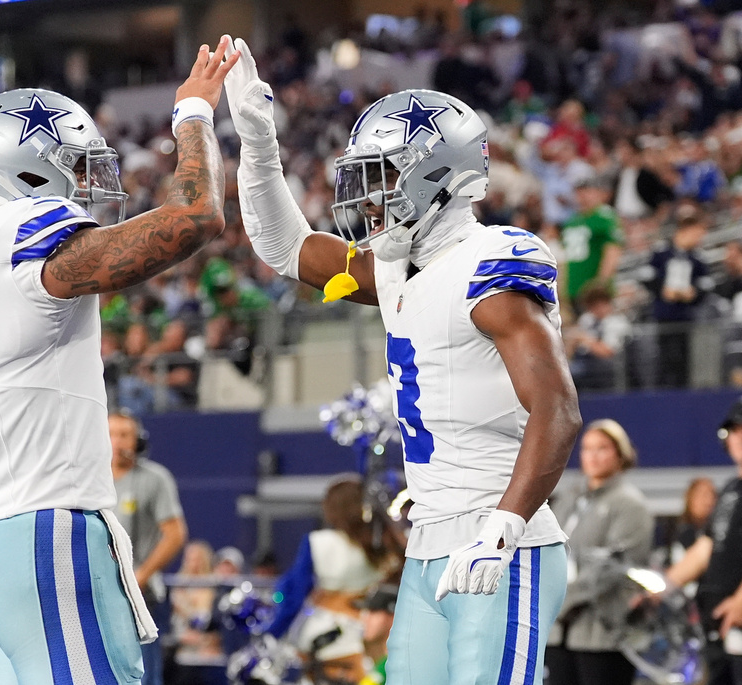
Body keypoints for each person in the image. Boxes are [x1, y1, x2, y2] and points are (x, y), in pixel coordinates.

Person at [225, 37, 582, 684]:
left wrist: (503, 528)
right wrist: (257, 141)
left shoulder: (489, 263)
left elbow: (557, 409)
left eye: (382, 176)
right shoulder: (397, 267)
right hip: (426, 544)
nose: (368, 196)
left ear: (437, 176)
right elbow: (287, 248)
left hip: (502, 541)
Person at [0, 37, 238, 685]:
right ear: (24, 171)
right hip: (48, 537)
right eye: (73, 166)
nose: (85, 183)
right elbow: (195, 215)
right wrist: (193, 112)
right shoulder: (25, 238)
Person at [544, 419, 654, 685]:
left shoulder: (630, 503)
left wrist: (562, 599)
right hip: (559, 633)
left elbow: (614, 567)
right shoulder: (569, 499)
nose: (592, 455)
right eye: (587, 448)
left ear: (620, 454)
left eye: (602, 448)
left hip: (604, 636)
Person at [266, 477, 398, 655]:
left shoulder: (318, 542)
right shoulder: (386, 543)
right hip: (378, 636)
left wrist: (271, 634)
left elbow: (294, 598)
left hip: (328, 638)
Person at [665, 398, 742, 685]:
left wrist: (740, 601)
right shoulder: (731, 491)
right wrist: (661, 589)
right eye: (733, 431)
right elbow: (706, 548)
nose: (738, 437)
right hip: (720, 625)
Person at [110, 410, 188, 685]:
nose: (117, 441)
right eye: (110, 434)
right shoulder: (90, 480)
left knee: (144, 674)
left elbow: (175, 535)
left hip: (141, 596)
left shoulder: (155, 479)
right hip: (99, 593)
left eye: (124, 434)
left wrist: (141, 575)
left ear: (138, 440)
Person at [642, 210, 712, 388]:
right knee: (663, 357)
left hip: (686, 317)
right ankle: (662, 391)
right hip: (664, 315)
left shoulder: (698, 258)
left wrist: (692, 293)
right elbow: (646, 277)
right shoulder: (661, 253)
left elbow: (706, 285)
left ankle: (682, 390)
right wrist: (663, 290)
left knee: (684, 359)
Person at [560, 176, 623, 310]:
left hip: (595, 292)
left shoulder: (604, 217)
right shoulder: (572, 220)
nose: (583, 196)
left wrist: (602, 282)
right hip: (574, 287)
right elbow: (568, 256)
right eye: (579, 192)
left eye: (587, 191)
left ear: (598, 192)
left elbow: (612, 250)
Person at [168, 540, 222, 685]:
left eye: (197, 558)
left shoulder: (212, 585)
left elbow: (209, 620)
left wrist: (205, 640)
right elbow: (172, 622)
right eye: (190, 558)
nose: (193, 562)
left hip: (206, 646)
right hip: (181, 646)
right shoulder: (177, 585)